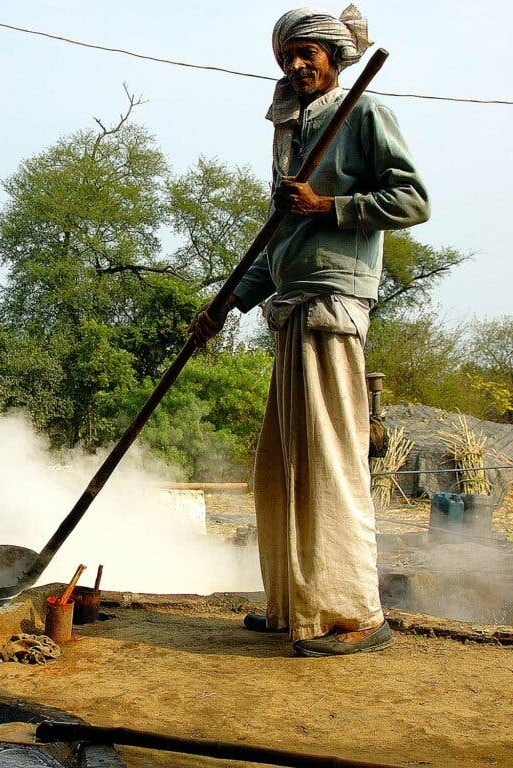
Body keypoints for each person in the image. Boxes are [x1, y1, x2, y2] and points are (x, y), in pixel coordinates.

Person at [190, 5, 429, 656]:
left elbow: (412, 200)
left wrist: (327, 204)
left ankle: (355, 616)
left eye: (309, 54)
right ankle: (292, 606)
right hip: (291, 307)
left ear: (332, 56)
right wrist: (229, 303)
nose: (297, 65)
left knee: (328, 467)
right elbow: (281, 241)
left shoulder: (364, 115)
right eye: (288, 56)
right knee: (279, 470)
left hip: (333, 306)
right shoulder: (292, 128)